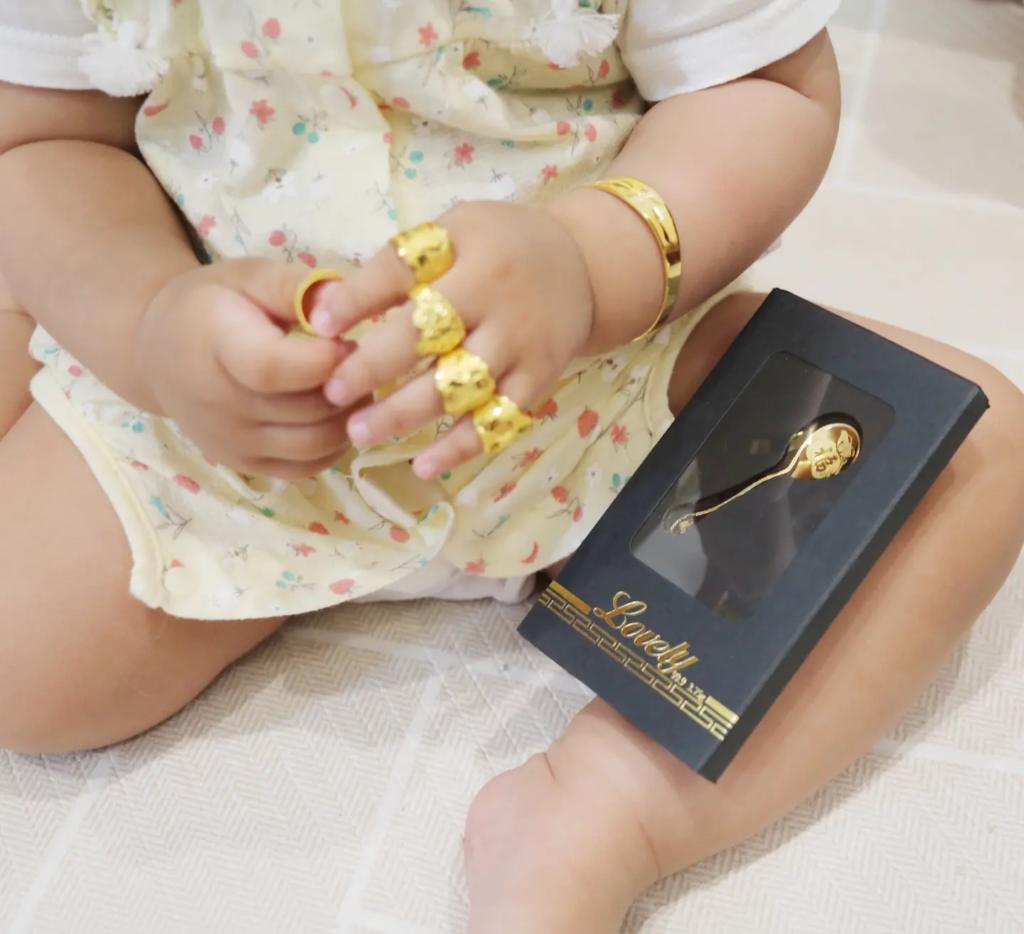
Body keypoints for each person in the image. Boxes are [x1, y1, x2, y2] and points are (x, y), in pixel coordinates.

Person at [1, 2, 1022, 931]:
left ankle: (611, 807)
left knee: (964, 453)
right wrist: (145, 324)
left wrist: (587, 261)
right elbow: (40, 139)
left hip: (608, 371)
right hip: (219, 395)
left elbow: (760, 90)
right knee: (25, 665)